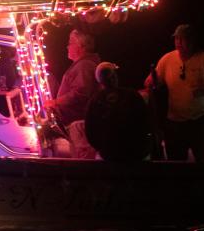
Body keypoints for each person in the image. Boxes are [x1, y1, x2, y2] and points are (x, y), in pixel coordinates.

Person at [145, 24, 204, 162]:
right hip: (175, 122)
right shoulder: (167, 59)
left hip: (200, 121)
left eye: (183, 39)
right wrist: (151, 81)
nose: (179, 42)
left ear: (192, 40)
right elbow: (152, 80)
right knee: (175, 163)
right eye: (177, 39)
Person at [44, 29, 102, 158]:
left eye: (70, 43)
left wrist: (55, 102)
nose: (67, 46)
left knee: (83, 160)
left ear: (81, 46)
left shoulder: (85, 65)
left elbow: (80, 93)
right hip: (77, 124)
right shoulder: (83, 65)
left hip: (80, 126)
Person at [86, 62, 150, 162]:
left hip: (108, 155)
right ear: (114, 76)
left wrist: (103, 148)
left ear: (99, 80)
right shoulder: (132, 95)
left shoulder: (94, 101)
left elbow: (90, 131)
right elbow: (145, 122)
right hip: (134, 154)